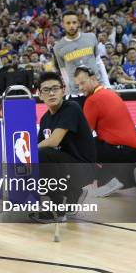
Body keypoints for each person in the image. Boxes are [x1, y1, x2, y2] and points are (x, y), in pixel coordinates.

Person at [73, 66, 136, 196]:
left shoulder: (92, 100)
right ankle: (127, 174)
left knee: (78, 147)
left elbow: (84, 134)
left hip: (119, 150)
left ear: (93, 79)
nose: (81, 88)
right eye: (78, 85)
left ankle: (117, 179)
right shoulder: (110, 92)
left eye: (83, 83)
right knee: (97, 143)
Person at [35, 72, 96, 221]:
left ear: (64, 90)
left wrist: (27, 152)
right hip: (65, 167)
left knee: (42, 155)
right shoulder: (45, 119)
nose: (51, 93)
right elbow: (38, 145)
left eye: (55, 88)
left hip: (83, 169)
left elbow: (53, 141)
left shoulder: (71, 108)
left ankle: (58, 208)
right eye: (46, 90)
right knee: (34, 160)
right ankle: (73, 194)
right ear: (40, 94)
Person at [53, 11, 110, 101]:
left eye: (74, 22)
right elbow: (64, 72)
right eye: (68, 23)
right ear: (63, 25)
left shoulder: (91, 37)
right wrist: (69, 93)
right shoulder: (58, 47)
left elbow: (99, 62)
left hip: (97, 87)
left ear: (78, 23)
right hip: (77, 93)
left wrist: (107, 85)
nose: (71, 25)